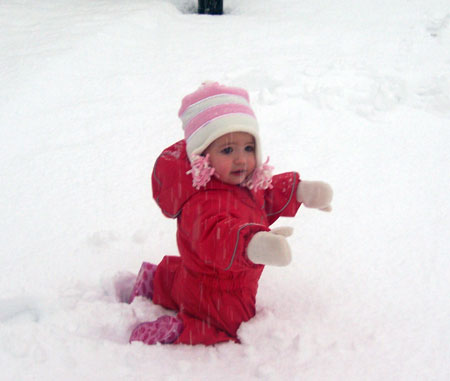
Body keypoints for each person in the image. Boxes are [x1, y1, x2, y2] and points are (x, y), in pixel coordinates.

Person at [128, 82, 333, 346]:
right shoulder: (201, 203)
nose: (241, 159)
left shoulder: (244, 181)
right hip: (219, 291)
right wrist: (254, 244)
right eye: (227, 150)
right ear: (202, 155)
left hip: (199, 277)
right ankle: (178, 329)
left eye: (248, 148)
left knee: (180, 282)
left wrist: (301, 191)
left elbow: (266, 195)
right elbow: (219, 236)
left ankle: (155, 280)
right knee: (231, 326)